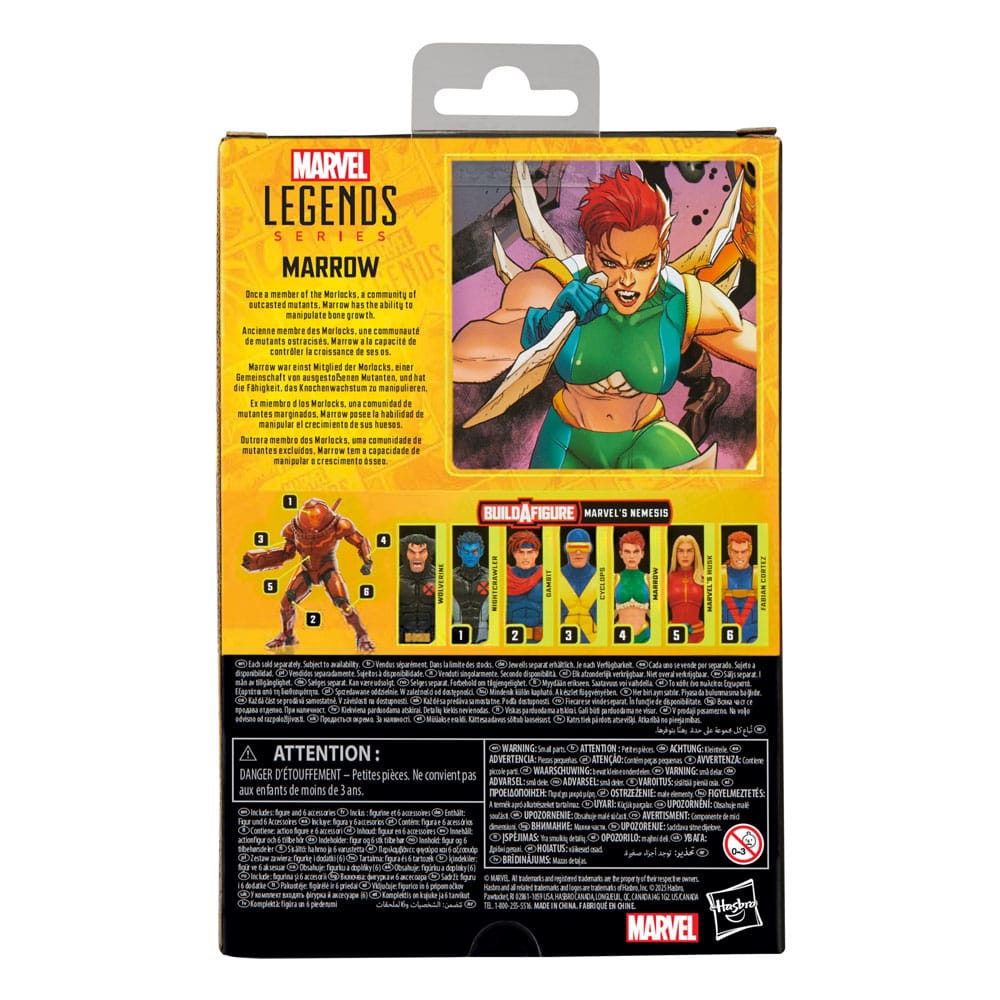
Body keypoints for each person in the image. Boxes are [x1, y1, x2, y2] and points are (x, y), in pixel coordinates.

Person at [453, 168, 756, 469]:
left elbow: (764, 351)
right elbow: (459, 359)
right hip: (567, 441)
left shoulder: (682, 302)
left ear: (662, 252)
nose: (628, 280)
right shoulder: (555, 285)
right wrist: (541, 326)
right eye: (611, 263)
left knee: (693, 485)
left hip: (646, 438)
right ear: (591, 252)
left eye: (643, 263)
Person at [241, 498, 374, 651]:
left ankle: (362, 635)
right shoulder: (293, 529)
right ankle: (287, 635)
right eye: (306, 532)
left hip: (327, 569)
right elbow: (287, 554)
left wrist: (367, 561)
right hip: (307, 570)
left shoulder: (339, 525)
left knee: (344, 605)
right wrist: (262, 560)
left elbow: (360, 541)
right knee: (286, 603)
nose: (310, 535)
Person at [560, 527, 598, 643]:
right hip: (563, 644)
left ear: (590, 550)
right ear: (566, 550)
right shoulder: (555, 577)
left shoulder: (602, 577)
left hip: (594, 644)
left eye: (583, 548)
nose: (578, 552)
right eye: (572, 548)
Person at [506, 530, 543, 642]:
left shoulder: (546, 575)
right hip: (510, 639)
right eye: (521, 552)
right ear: (514, 553)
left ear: (536, 553)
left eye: (530, 552)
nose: (525, 557)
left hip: (540, 640)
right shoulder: (504, 576)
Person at [453, 530, 490, 643]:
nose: (470, 556)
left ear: (481, 551)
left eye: (474, 551)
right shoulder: (449, 577)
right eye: (466, 551)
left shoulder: (491, 577)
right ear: (459, 551)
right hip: (456, 631)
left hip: (484, 633)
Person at [721, 530, 757, 643]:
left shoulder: (760, 575)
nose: (739, 556)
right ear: (729, 552)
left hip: (754, 639)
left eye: (744, 551)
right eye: (735, 552)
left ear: (750, 551)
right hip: (726, 639)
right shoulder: (719, 576)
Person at [614, 530, 651, 643]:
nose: (631, 556)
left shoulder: (649, 578)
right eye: (627, 551)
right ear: (621, 554)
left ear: (642, 554)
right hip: (620, 634)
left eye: (636, 551)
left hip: (644, 635)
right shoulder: (614, 578)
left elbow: (656, 612)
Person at [668, 534, 705, 643]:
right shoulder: (667, 578)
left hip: (699, 636)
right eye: (681, 551)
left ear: (695, 554)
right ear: (675, 554)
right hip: (673, 635)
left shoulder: (703, 578)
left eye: (689, 551)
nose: (685, 555)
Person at [399, 533, 436, 643]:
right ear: (404, 553)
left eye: (422, 552)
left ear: (429, 553)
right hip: (400, 639)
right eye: (412, 552)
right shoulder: (394, 577)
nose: (417, 557)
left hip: (434, 639)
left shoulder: (440, 577)